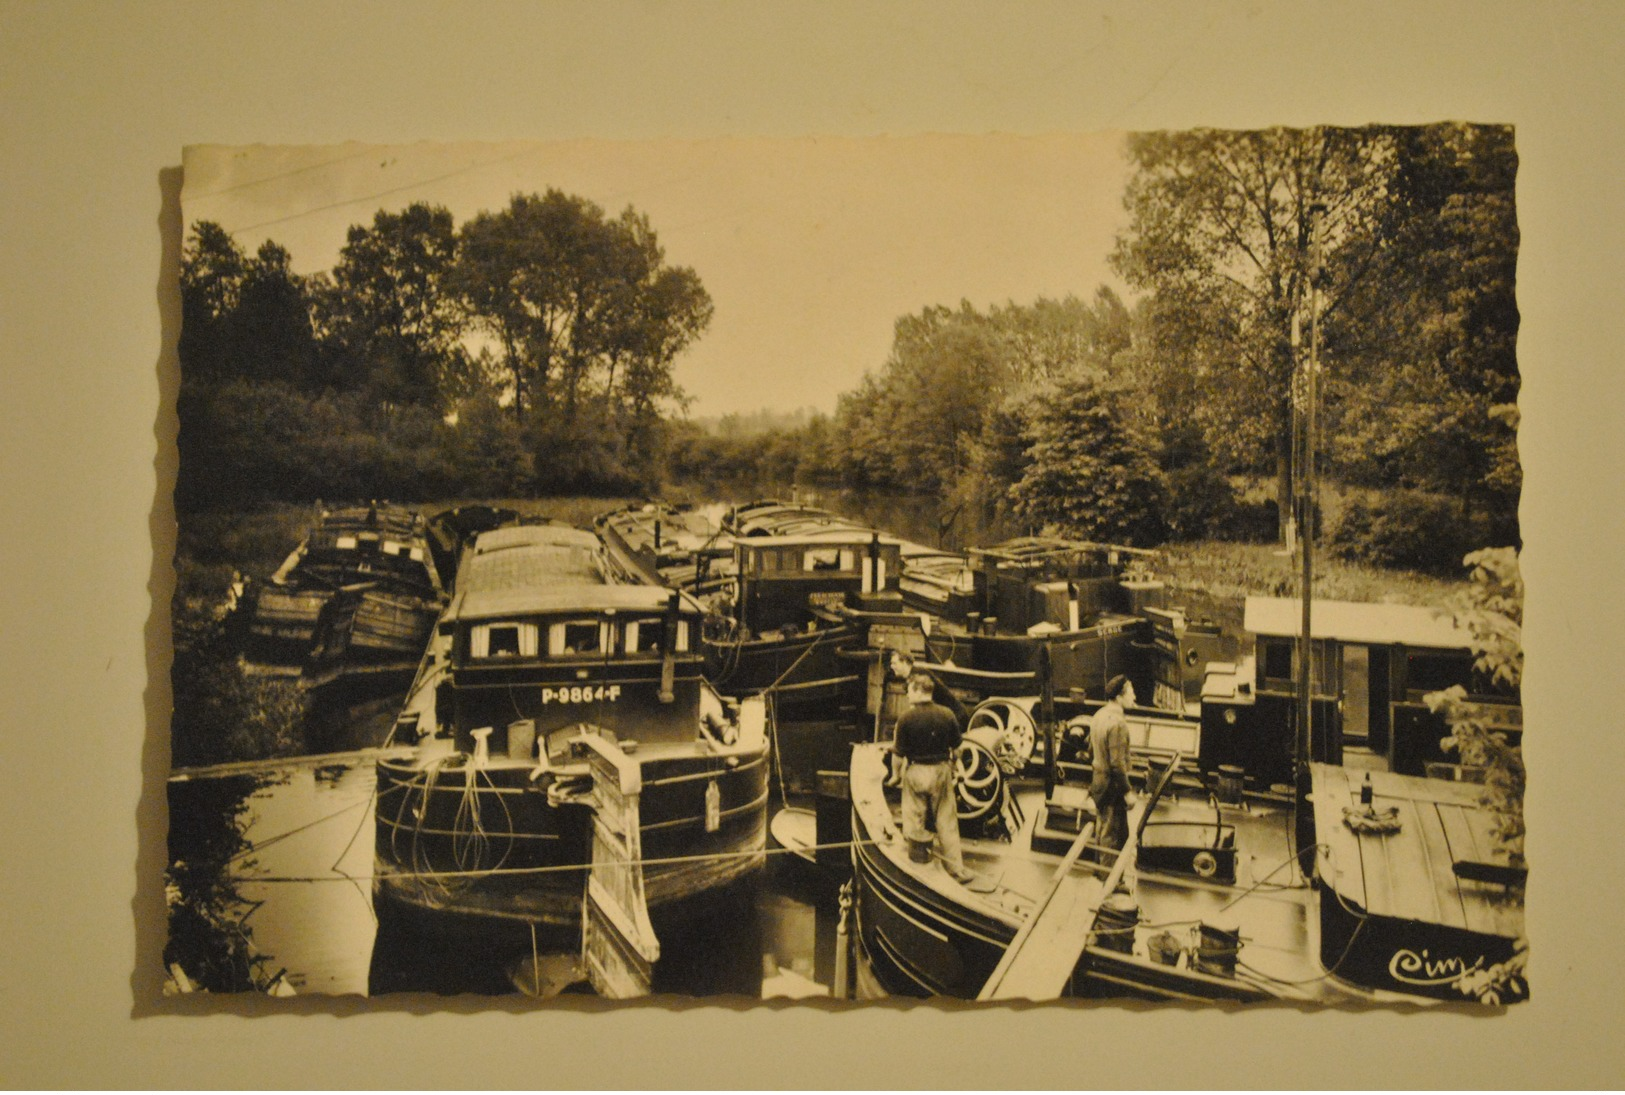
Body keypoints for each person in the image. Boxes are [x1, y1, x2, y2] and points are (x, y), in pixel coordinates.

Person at [890, 669, 975, 884]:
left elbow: (898, 755)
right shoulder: (947, 714)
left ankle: (914, 870)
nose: (908, 695)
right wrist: (954, 766)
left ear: (919, 691)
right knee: (946, 822)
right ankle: (956, 871)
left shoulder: (906, 718)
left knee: (913, 821)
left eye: (909, 690)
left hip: (916, 771)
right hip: (940, 771)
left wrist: (895, 776)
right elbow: (958, 749)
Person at [1089, 674, 1138, 852]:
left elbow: (1091, 751)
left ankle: (1100, 873)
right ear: (1119, 697)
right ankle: (1110, 877)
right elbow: (1117, 764)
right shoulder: (1118, 724)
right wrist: (1127, 792)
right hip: (1112, 788)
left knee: (1101, 829)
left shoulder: (1098, 715)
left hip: (1099, 784)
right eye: (1131, 693)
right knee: (1113, 836)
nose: (1134, 697)